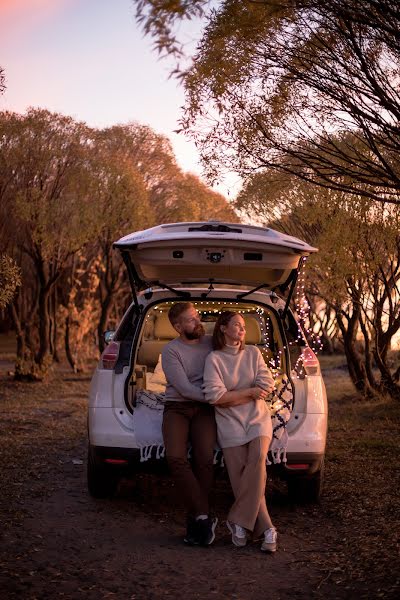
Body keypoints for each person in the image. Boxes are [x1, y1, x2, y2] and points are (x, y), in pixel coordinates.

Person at [202, 311, 278, 552]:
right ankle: (267, 528)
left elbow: (267, 385)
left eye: (244, 326)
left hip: (257, 420)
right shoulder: (213, 359)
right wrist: (248, 392)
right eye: (237, 325)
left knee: (256, 462)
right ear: (223, 328)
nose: (243, 329)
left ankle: (237, 520)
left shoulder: (253, 354)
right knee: (239, 474)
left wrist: (230, 397)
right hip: (229, 423)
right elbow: (214, 396)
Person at [161, 302, 218, 546]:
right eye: (191, 319)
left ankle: (197, 522)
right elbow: (183, 389)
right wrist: (219, 398)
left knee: (205, 459)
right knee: (175, 458)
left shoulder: (211, 343)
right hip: (177, 406)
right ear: (177, 326)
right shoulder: (170, 351)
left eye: (197, 317)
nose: (198, 322)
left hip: (205, 409)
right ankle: (205, 516)